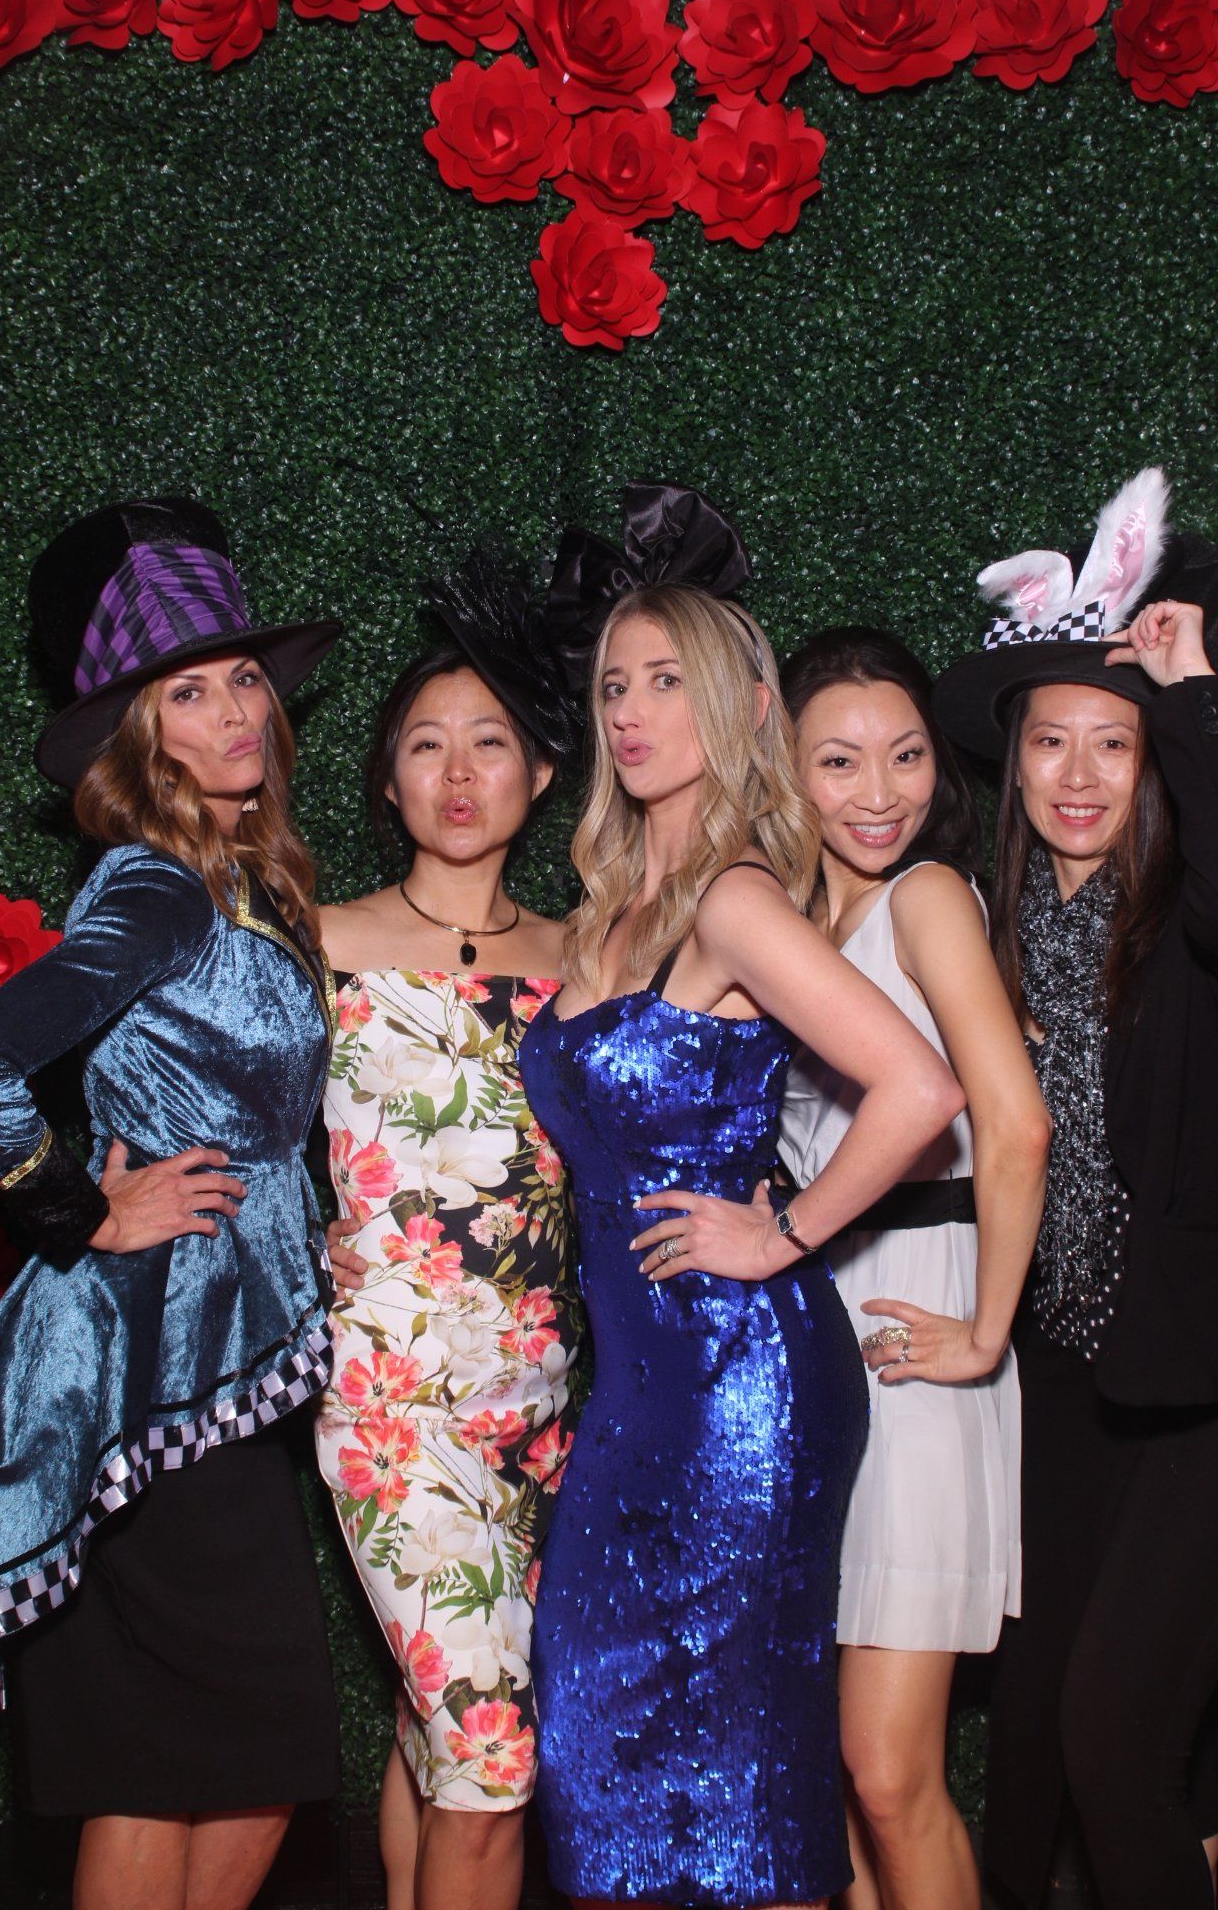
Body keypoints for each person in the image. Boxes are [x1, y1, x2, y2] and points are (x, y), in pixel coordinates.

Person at [516, 483, 967, 1910]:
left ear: (737, 705)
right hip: (636, 1387)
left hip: (741, 1386)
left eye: (668, 681)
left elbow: (920, 1088)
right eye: (615, 685)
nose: (633, 712)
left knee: (735, 1778)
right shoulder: (605, 907)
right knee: (595, 1746)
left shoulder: (733, 900)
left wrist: (784, 1233)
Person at [0, 498, 342, 1910]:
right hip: (144, 1361)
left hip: (214, 1359)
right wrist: (78, 1212)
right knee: (185, 1752)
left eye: (242, 679)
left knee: (206, 1755)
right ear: (142, 735)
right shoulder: (159, 889)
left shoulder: (243, 879)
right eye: (190, 693)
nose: (233, 712)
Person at [933, 466, 1218, 1910]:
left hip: (1199, 1384)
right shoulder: (993, 929)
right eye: (1051, 741)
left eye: (1117, 742)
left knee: (1114, 1743)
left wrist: (1194, 699)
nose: (1080, 775)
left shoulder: (1185, 920)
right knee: (1035, 1712)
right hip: (1060, 1368)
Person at [313, 548, 584, 1910]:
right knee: (492, 1762)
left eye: (491, 742)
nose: (459, 771)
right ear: (386, 779)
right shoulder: (320, 944)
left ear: (541, 772)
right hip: (391, 1403)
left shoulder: (589, 955)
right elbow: (220, 1119)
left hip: (541, 1406)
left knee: (437, 1738)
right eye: (426, 744)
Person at [777, 627, 1049, 1910]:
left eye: (904, 756)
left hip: (918, 1322)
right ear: (783, 769)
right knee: (832, 1775)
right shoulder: (784, 917)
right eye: (836, 761)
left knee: (886, 1772)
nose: (876, 792)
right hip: (816, 1334)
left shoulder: (926, 896)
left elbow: (1014, 1123)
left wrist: (985, 1331)